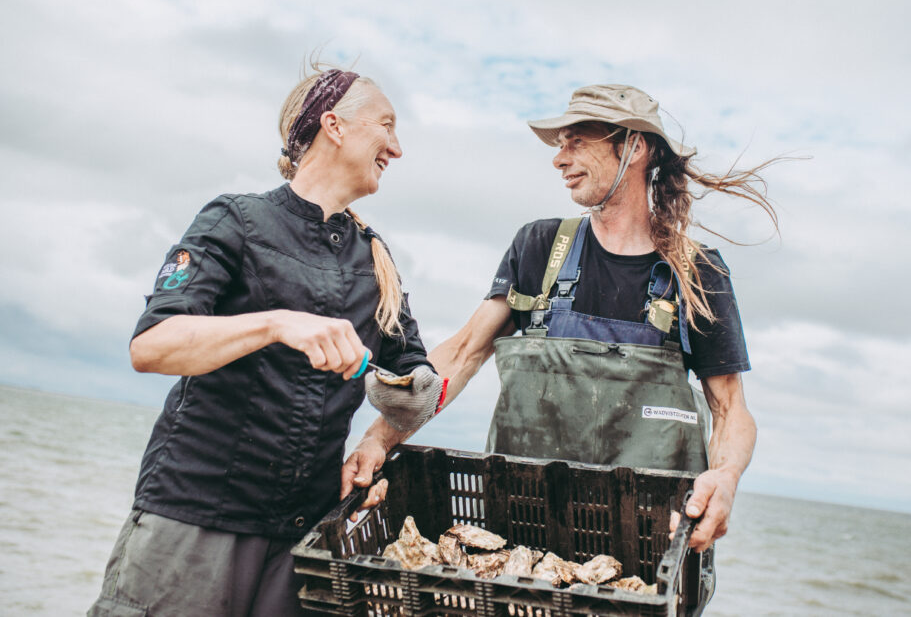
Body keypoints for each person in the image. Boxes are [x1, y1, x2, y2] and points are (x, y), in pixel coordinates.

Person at [347, 84, 778, 563]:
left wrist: (726, 476)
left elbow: (730, 410)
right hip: (522, 542)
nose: (559, 158)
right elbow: (465, 352)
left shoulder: (696, 273)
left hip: (645, 550)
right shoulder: (538, 247)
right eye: (560, 144)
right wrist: (378, 439)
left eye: (576, 141)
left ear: (634, 147)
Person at [89, 67, 444, 617]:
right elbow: (154, 345)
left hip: (306, 538)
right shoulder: (235, 220)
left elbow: (415, 377)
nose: (396, 148)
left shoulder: (375, 261)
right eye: (386, 126)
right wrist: (277, 323)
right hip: (195, 519)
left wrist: (380, 440)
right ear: (335, 126)